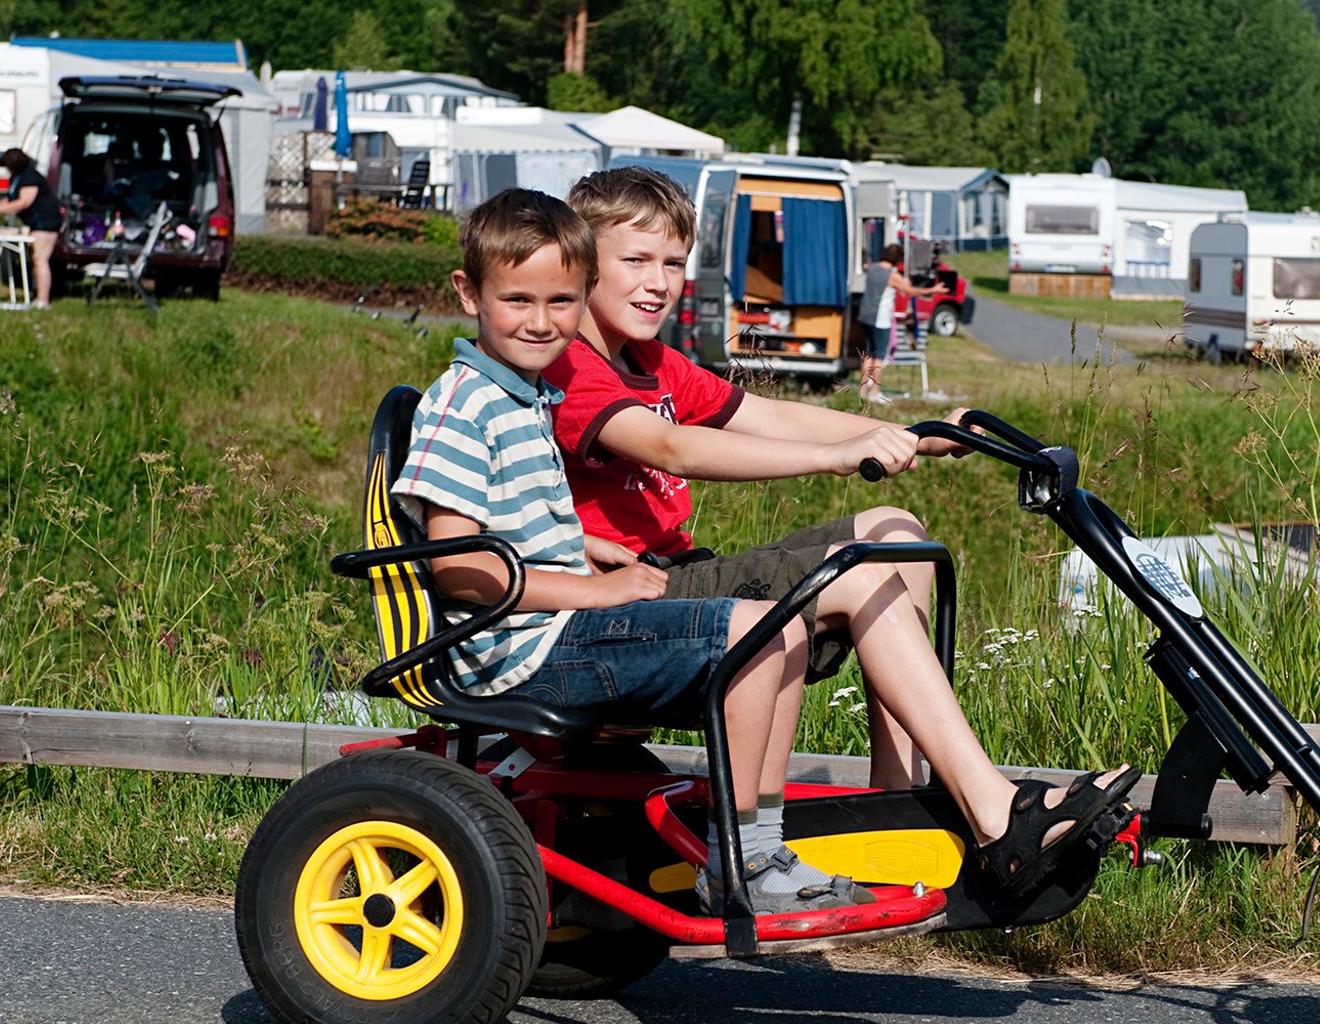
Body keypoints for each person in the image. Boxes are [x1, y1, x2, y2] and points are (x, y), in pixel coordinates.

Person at [545, 167, 1137, 894]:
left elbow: (774, 416)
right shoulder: (570, 365)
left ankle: (897, 799)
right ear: (580, 263)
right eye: (634, 261)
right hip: (631, 596)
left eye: (673, 263)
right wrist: (833, 459)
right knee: (856, 569)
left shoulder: (651, 361)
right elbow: (671, 448)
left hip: (675, 573)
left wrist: (910, 437)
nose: (657, 282)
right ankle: (994, 814)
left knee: (893, 529)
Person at [392, 187, 864, 914]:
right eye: (518, 300)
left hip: (544, 630)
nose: (542, 323)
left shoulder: (520, 396)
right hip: (517, 650)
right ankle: (742, 857)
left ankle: (758, 844)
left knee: (780, 620)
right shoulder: (464, 405)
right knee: (751, 625)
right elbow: (458, 564)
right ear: (468, 293)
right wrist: (593, 590)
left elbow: (497, 523)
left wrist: (581, 543)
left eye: (561, 302)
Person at [854, 242, 946, 404]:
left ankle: (862, 391)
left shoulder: (873, 269)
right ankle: (874, 392)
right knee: (880, 356)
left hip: (865, 316)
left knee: (868, 354)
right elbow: (912, 292)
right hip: (880, 319)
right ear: (898, 258)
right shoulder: (891, 275)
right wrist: (934, 290)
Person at [0, 148, 63, 309]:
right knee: (35, 259)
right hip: (35, 224)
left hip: (45, 223)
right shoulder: (17, 177)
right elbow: (13, 199)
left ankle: (43, 300)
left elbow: (24, 202)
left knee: (40, 259)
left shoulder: (30, 177)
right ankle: (36, 295)